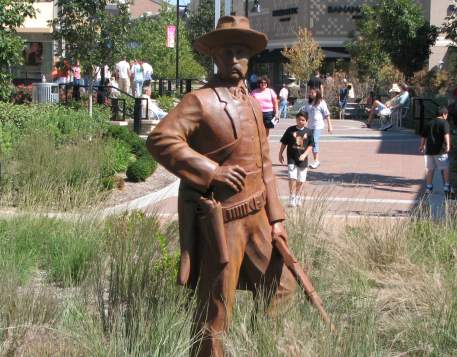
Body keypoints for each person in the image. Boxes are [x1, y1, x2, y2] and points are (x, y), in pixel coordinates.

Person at [146, 16, 296, 357]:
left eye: (241, 52)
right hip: (221, 221)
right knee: (217, 305)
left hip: (258, 217)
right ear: (214, 56)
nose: (234, 59)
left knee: (281, 286)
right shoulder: (199, 101)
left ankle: (264, 347)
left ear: (250, 58)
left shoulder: (253, 102)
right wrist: (211, 171)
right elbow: (160, 140)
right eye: (227, 52)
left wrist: (276, 218)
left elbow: (265, 164)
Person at [279, 111, 314, 207]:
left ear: (306, 121)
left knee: (301, 180)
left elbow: (311, 145)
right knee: (292, 177)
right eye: (299, 119)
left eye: (303, 120)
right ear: (296, 119)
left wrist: (304, 155)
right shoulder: (290, 130)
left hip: (303, 160)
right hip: (292, 158)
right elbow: (284, 143)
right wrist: (280, 153)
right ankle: (292, 196)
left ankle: (298, 195)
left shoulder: (309, 132)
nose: (300, 121)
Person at [419, 106, 452, 195]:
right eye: (447, 114)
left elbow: (423, 136)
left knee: (430, 169)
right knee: (445, 168)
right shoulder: (444, 123)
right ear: (444, 114)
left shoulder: (429, 123)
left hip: (429, 151)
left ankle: (429, 187)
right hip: (440, 150)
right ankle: (446, 186)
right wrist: (448, 145)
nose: (447, 116)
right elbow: (446, 134)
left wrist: (421, 146)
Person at [300, 88, 332, 169]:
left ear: (317, 93)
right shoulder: (308, 102)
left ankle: (316, 161)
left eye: (312, 93)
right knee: (307, 142)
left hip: (318, 126)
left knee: (314, 142)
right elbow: (305, 113)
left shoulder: (321, 102)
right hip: (310, 126)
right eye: (310, 92)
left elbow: (327, 114)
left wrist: (330, 126)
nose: (310, 94)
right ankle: (304, 158)